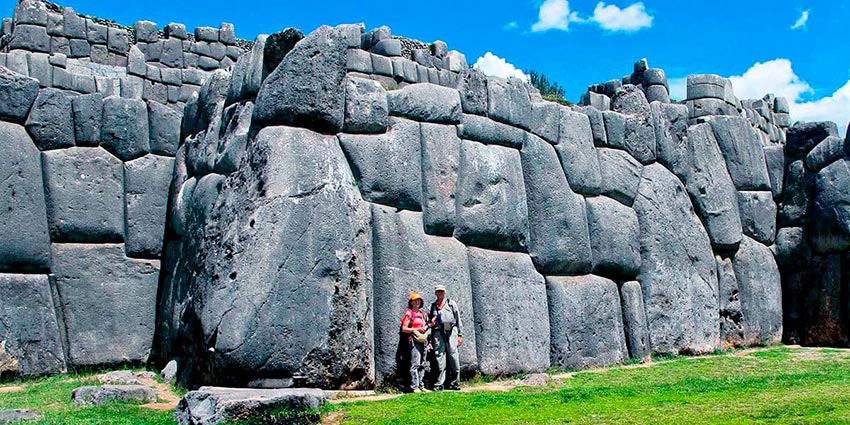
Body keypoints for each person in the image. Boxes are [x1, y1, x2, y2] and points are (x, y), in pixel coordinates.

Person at [428, 285, 462, 391]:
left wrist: (460, 335)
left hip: (451, 330)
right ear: (435, 293)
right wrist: (429, 340)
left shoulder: (451, 304)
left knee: (453, 357)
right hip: (438, 332)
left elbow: (458, 320)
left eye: (442, 292)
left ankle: (455, 382)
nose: (440, 293)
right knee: (439, 358)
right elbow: (429, 324)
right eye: (438, 292)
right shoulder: (433, 306)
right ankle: (439, 384)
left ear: (445, 293)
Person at [400, 292, 431, 393]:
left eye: (419, 300)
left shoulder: (421, 314)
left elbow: (424, 327)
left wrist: (428, 327)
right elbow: (404, 328)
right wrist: (414, 330)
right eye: (415, 300)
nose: (417, 302)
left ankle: (421, 386)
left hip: (423, 340)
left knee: (422, 364)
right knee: (415, 363)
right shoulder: (409, 313)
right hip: (414, 340)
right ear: (411, 302)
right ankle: (414, 386)